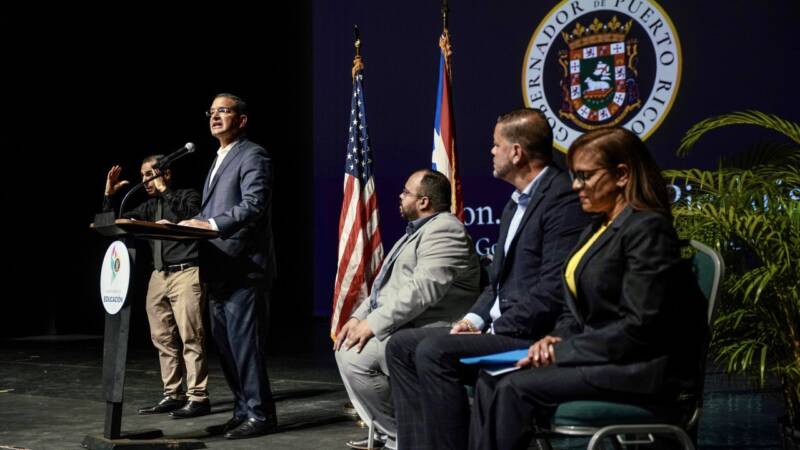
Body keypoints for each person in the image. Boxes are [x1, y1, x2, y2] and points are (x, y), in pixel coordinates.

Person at [468, 127, 708, 450]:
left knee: (512, 388)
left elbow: (639, 328)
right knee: (488, 379)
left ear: (621, 175)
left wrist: (563, 352)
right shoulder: (596, 227)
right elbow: (574, 310)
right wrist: (555, 338)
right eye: (574, 176)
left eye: (585, 176)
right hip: (598, 358)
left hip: (637, 369)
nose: (576, 186)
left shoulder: (648, 229)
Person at [385, 108, 591, 450]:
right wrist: (472, 318)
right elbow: (497, 283)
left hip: (534, 336)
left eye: (496, 145)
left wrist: (497, 327)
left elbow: (553, 290)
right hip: (502, 329)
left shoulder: (561, 199)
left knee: (435, 350)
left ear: (516, 152)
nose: (491, 152)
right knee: (401, 345)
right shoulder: (514, 204)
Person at [334, 169, 481, 450]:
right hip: (408, 324)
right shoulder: (416, 231)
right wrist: (357, 318)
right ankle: (396, 433)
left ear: (424, 202)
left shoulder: (445, 230)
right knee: (347, 344)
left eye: (406, 192)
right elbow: (383, 288)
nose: (400, 197)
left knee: (356, 356)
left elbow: (421, 291)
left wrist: (373, 325)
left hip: (435, 328)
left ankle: (401, 436)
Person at [178, 93, 277, 440]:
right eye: (212, 111)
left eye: (224, 111)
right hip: (218, 267)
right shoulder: (219, 157)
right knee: (226, 346)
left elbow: (254, 204)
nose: (216, 116)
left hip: (243, 268)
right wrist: (188, 224)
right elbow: (211, 213)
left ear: (242, 119)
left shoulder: (253, 154)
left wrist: (212, 225)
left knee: (245, 346)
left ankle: (261, 415)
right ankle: (242, 411)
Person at [102, 157, 209, 418]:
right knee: (161, 337)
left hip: (186, 273)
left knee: (190, 337)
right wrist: (109, 196)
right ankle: (173, 394)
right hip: (158, 276)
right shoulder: (149, 206)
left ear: (166, 174)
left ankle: (198, 396)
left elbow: (192, 217)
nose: (144, 180)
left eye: (149, 174)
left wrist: (164, 190)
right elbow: (114, 222)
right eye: (142, 175)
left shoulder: (188, 196)